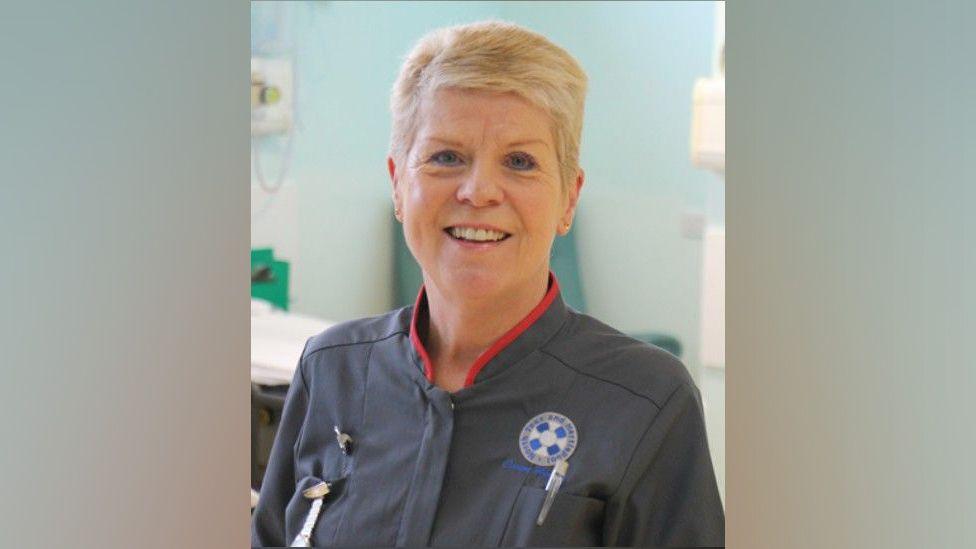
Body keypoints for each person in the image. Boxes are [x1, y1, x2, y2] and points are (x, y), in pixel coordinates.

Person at [251, 20, 724, 547]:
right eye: (446, 157)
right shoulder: (329, 370)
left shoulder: (646, 401)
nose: (478, 191)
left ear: (568, 198)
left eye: (520, 162)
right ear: (398, 184)